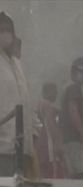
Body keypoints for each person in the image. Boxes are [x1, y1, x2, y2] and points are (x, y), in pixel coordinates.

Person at [0, 11, 35, 177]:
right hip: (2, 147)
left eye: (8, 30)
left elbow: (27, 100)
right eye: (1, 30)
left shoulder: (17, 65)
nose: (5, 34)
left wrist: (32, 137)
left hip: (22, 147)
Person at [60, 57, 83, 179]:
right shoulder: (73, 88)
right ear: (74, 71)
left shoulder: (71, 88)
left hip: (72, 139)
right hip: (74, 140)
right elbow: (73, 111)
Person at [35, 83, 66, 178]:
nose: (56, 94)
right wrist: (57, 141)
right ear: (48, 92)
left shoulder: (39, 104)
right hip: (49, 143)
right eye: (55, 92)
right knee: (53, 172)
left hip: (42, 140)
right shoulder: (47, 105)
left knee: (43, 170)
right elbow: (51, 124)